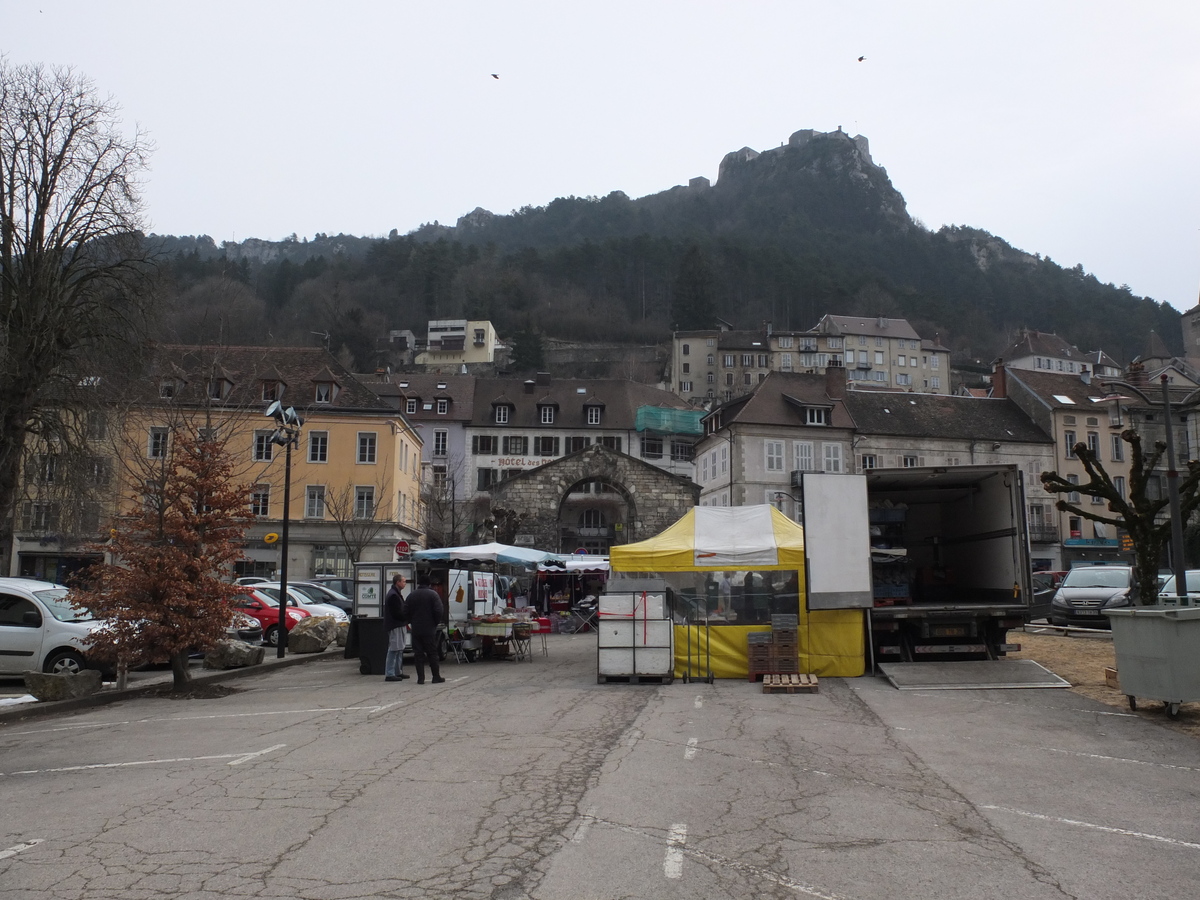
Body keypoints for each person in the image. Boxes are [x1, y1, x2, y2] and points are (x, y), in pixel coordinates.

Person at [404, 573, 445, 684]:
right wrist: (434, 623)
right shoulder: (433, 595)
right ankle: (435, 676)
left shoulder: (411, 595)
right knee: (432, 653)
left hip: (416, 629)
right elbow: (439, 610)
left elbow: (405, 611)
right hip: (429, 629)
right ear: (429, 583)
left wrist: (411, 621)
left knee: (418, 654)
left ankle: (420, 678)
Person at [383, 573, 410, 682]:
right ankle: (390, 673)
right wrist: (407, 616)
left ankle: (398, 671)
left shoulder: (396, 593)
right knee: (394, 649)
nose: (405, 583)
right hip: (395, 624)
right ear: (397, 582)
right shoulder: (393, 595)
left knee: (399, 648)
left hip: (399, 624)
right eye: (403, 581)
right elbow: (396, 613)